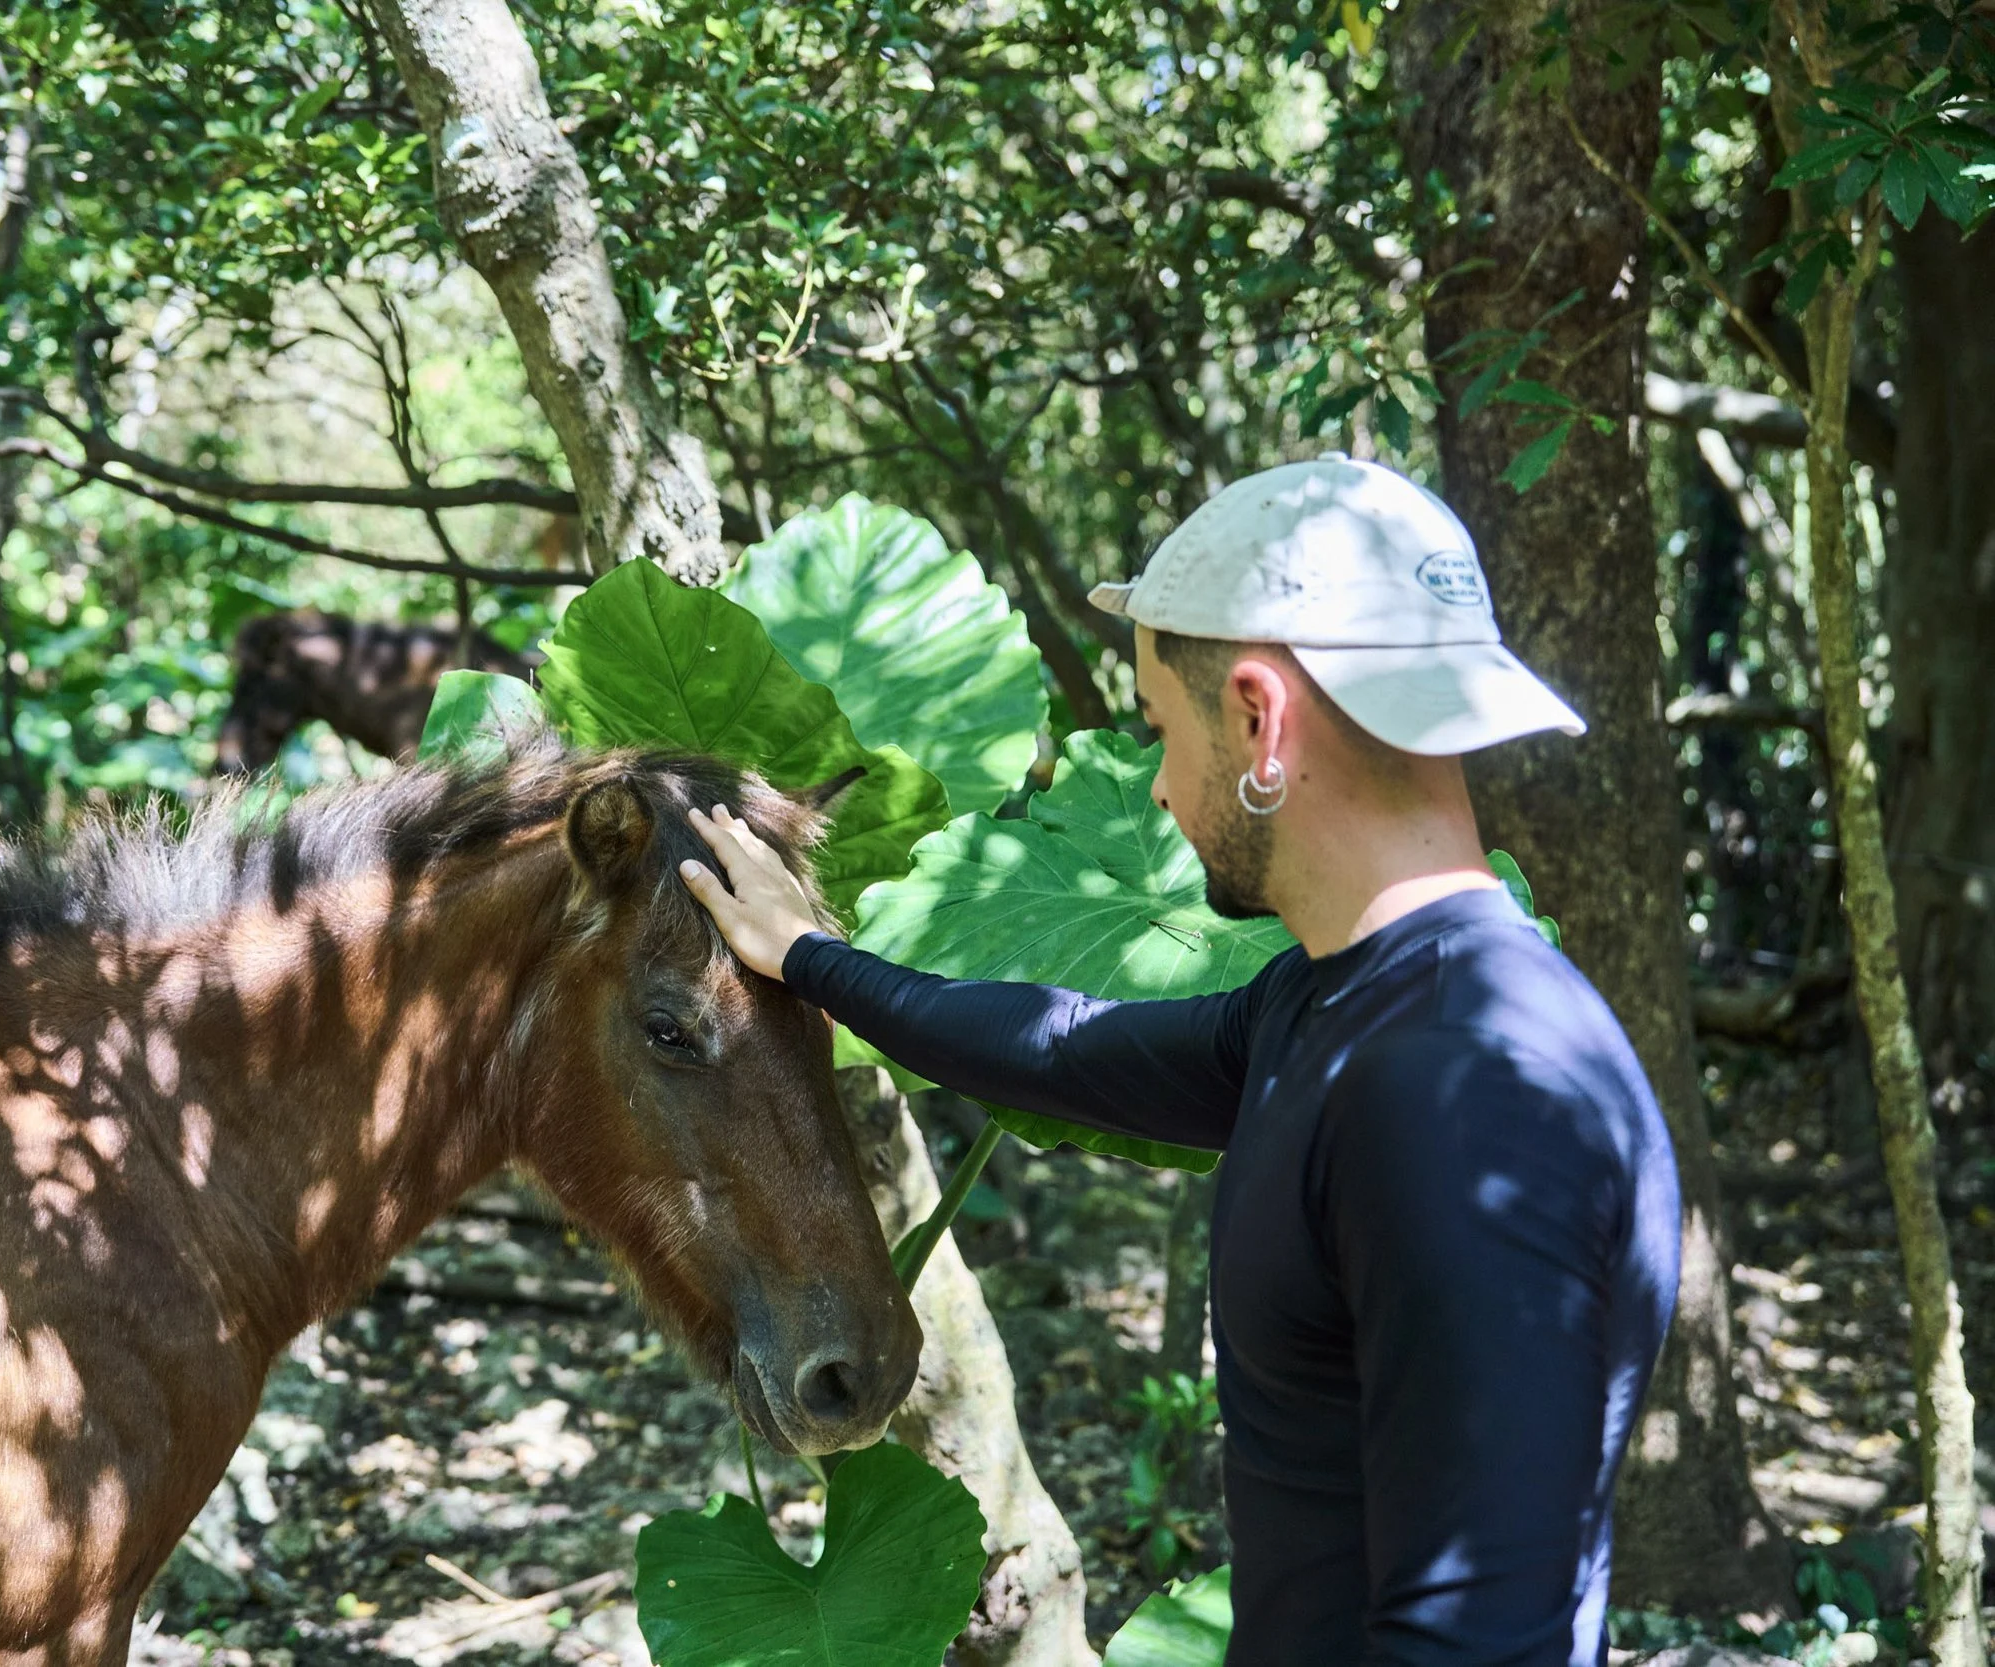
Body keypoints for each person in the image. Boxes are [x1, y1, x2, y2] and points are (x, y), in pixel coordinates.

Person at [677, 454, 1682, 1667]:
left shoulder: (1465, 1094)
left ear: (1259, 718)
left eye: (1160, 729)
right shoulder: (1340, 1001)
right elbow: (1069, 1045)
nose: (1152, 785)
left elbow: (1481, 1636)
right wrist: (810, 956)